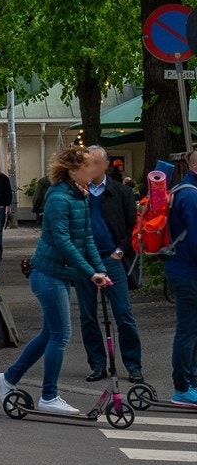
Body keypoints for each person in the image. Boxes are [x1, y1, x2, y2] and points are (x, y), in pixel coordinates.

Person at [0, 147, 111, 416]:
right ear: (73, 171)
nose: (93, 170)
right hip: (48, 275)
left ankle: (10, 378)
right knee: (61, 336)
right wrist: (88, 272)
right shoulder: (59, 197)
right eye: (87, 166)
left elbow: (87, 239)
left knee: (50, 334)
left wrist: (100, 270)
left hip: (59, 274)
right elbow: (63, 240)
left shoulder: (79, 195)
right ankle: (49, 396)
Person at [75, 146, 144, 383]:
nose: (90, 168)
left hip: (111, 258)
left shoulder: (121, 192)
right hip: (84, 261)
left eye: (95, 163)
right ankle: (97, 364)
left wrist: (119, 251)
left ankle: (133, 365)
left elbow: (131, 227)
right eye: (87, 164)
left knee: (123, 313)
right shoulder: (77, 191)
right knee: (87, 316)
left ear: (105, 165)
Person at [164, 148, 197, 406]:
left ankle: (190, 383)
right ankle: (183, 387)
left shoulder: (181, 191)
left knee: (191, 329)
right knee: (188, 330)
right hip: (189, 271)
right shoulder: (191, 196)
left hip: (182, 268)